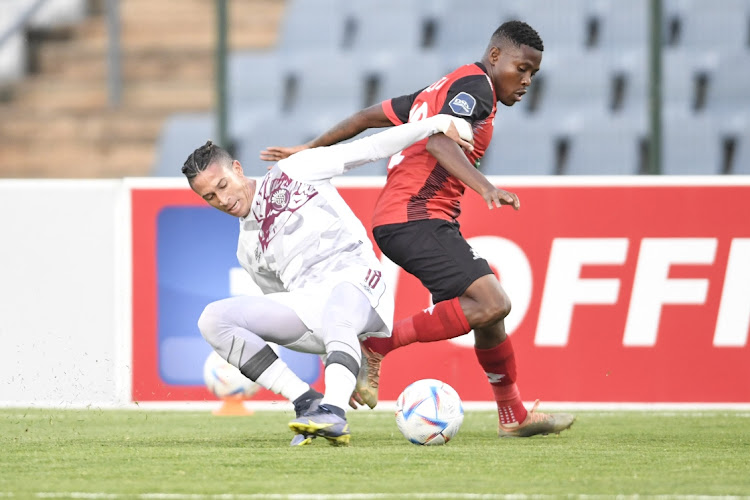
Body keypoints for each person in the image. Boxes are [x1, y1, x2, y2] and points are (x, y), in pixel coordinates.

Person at [261, 21, 575, 438]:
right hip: (414, 215)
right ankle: (378, 345)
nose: (527, 80)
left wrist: (309, 148)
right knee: (492, 301)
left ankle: (512, 415)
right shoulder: (476, 88)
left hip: (411, 218)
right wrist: (486, 187)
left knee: (486, 317)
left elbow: (366, 117)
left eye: (533, 73)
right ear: (496, 56)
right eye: (522, 68)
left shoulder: (438, 89)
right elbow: (439, 142)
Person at [182, 114, 473, 446]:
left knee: (338, 306)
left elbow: (372, 147)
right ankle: (308, 402)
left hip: (359, 283)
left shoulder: (295, 169)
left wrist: (432, 124)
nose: (222, 200)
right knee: (214, 319)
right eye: (209, 197)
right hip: (317, 307)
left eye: (222, 186)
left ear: (236, 169)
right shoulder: (246, 250)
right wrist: (337, 364)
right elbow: (293, 308)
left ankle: (333, 413)